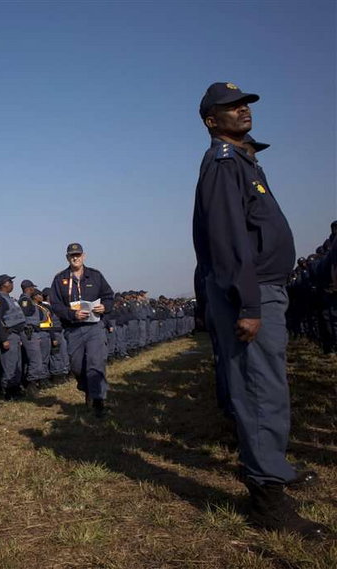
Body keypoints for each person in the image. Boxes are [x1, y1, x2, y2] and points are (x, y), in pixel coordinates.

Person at [192, 82, 328, 539]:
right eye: (232, 106)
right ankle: (267, 498)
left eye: (245, 103)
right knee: (258, 391)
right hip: (250, 296)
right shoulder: (224, 164)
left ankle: (276, 467)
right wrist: (248, 303)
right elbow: (230, 240)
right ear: (212, 120)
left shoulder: (243, 161)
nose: (243, 109)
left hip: (265, 289)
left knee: (270, 386)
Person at [49, 243, 114, 417]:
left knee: (96, 362)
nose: (75, 258)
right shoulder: (59, 279)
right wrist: (71, 314)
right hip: (73, 329)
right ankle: (88, 389)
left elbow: (109, 296)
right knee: (77, 366)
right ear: (67, 258)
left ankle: (99, 401)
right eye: (72, 255)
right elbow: (55, 305)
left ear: (84, 256)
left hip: (94, 327)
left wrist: (104, 307)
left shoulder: (95, 275)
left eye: (78, 255)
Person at [0, 274, 25, 399]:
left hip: (16, 335)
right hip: (8, 335)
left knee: (17, 364)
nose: (12, 284)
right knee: (9, 365)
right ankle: (8, 391)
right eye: (10, 281)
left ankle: (15, 388)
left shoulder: (10, 299)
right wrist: (3, 339)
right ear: (4, 284)